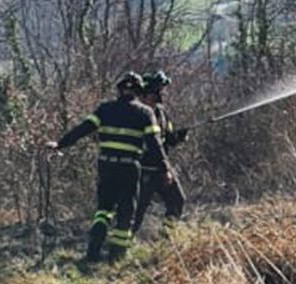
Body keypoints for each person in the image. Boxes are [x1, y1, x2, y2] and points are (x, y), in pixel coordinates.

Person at [45, 72, 168, 263]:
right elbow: (155, 145)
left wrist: (60, 144)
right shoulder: (145, 113)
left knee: (104, 209)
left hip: (106, 166)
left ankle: (93, 251)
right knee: (126, 212)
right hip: (129, 168)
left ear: (119, 90)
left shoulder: (104, 109)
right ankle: (116, 257)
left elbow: (82, 129)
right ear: (138, 91)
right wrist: (165, 169)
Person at [132, 70, 189, 236]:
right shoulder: (135, 113)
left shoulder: (162, 113)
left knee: (177, 201)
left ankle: (166, 238)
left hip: (162, 169)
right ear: (150, 92)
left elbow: (168, 139)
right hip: (143, 171)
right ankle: (120, 247)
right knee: (137, 211)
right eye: (160, 89)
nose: (163, 93)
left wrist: (180, 136)